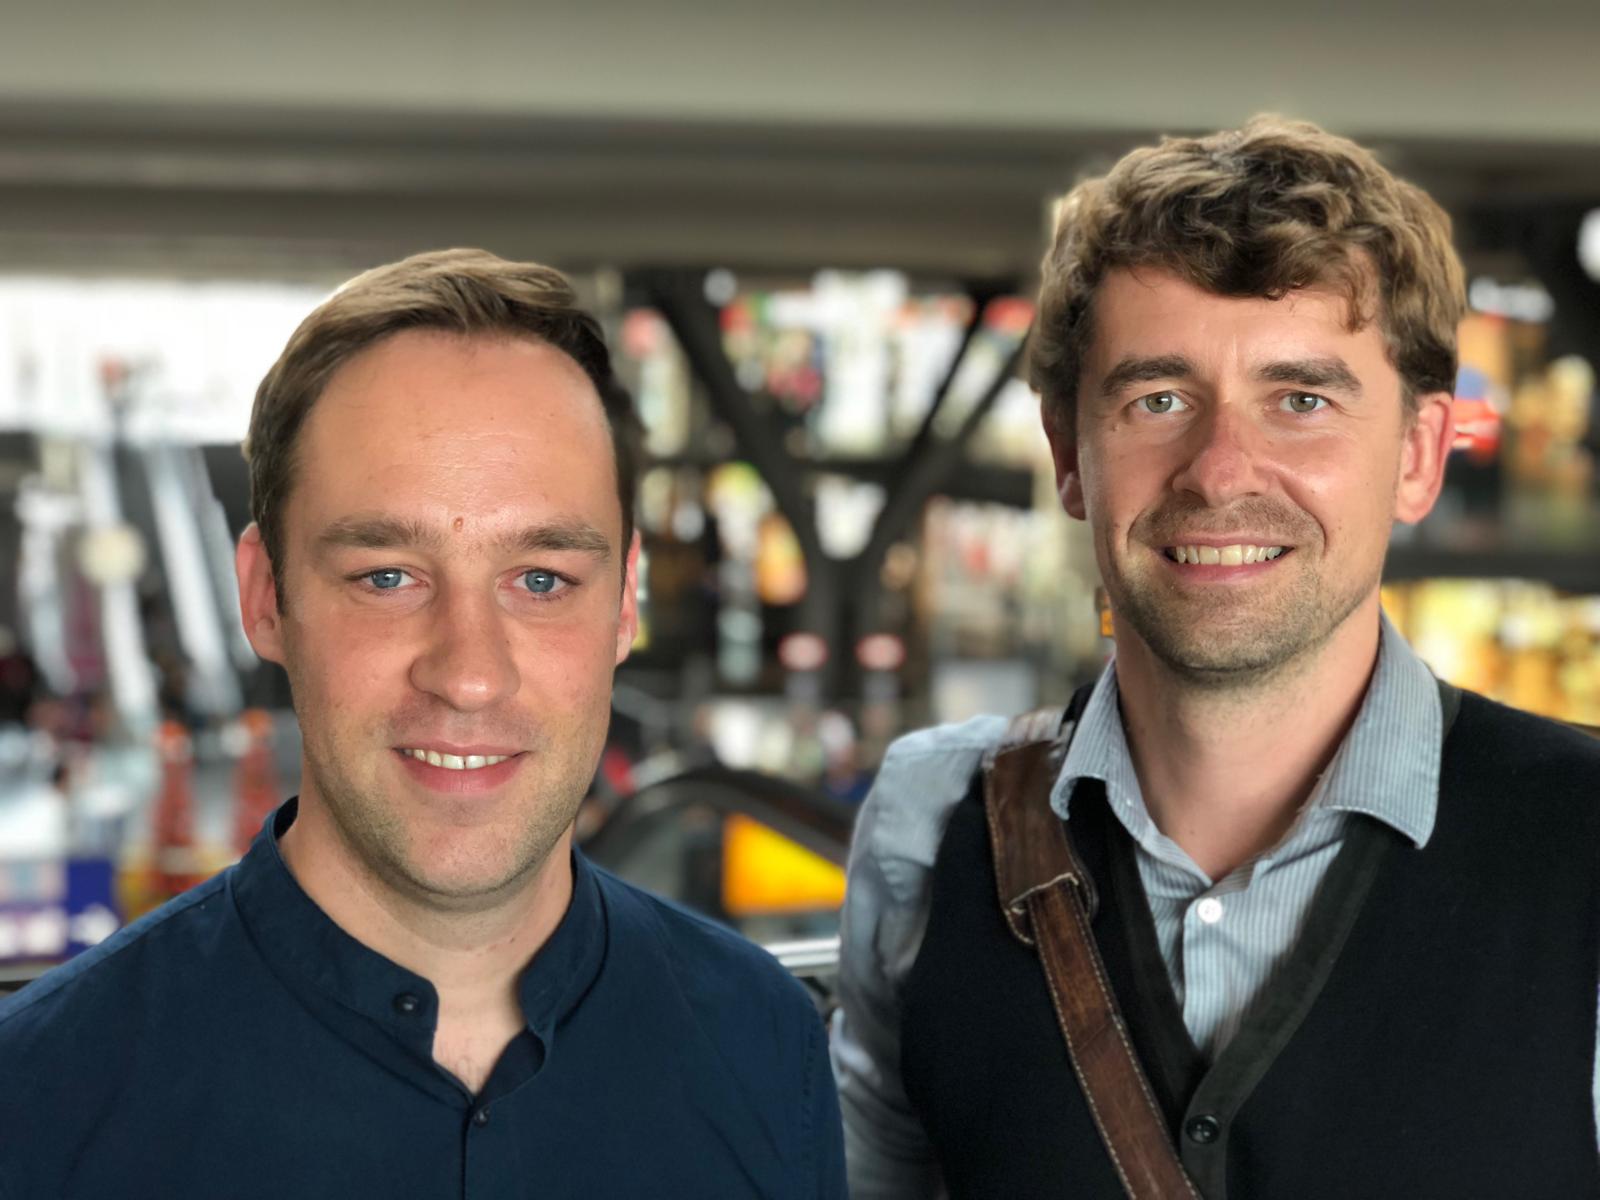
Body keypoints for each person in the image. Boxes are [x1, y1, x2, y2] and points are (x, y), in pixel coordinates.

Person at [832, 118, 1600, 1199]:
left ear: (1419, 456)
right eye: (1158, 399)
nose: (1221, 470)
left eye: (1301, 400)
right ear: (1068, 454)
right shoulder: (927, 824)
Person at [0, 249, 846, 1199]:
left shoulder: (764, 1043)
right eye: (388, 577)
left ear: (623, 605)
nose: (470, 676)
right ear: (266, 597)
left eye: (542, 580)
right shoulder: (36, 1101)